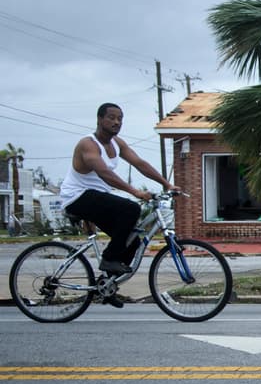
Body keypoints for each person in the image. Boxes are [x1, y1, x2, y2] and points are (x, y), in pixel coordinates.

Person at [61, 103, 180, 287]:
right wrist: (135, 192)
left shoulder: (118, 143)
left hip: (97, 197)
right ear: (100, 119)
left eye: (120, 118)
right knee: (130, 208)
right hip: (76, 197)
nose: (117, 122)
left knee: (132, 242)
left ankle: (107, 285)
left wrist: (167, 184)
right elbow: (104, 173)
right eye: (112, 118)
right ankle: (108, 259)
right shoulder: (88, 144)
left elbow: (140, 163)